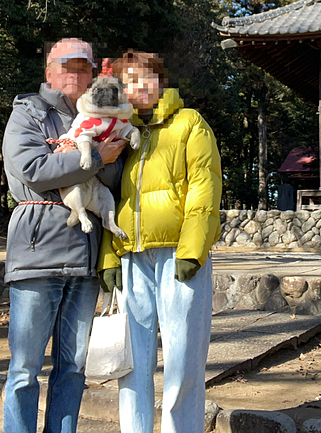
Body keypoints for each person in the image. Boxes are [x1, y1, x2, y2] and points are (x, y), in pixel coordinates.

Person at [2, 38, 126, 433]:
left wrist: (98, 160)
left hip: (85, 257)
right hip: (37, 251)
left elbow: (113, 179)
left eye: (85, 67)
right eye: (68, 65)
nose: (77, 73)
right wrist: (90, 158)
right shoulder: (28, 113)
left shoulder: (100, 118)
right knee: (25, 367)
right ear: (49, 71)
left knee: (73, 367)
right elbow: (33, 170)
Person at [97, 50, 222, 433]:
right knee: (132, 359)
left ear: (161, 81)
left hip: (178, 256)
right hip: (132, 257)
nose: (139, 87)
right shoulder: (121, 134)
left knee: (183, 356)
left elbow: (205, 187)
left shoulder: (190, 124)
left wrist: (193, 250)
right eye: (130, 81)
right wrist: (108, 257)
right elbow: (109, 195)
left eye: (146, 78)